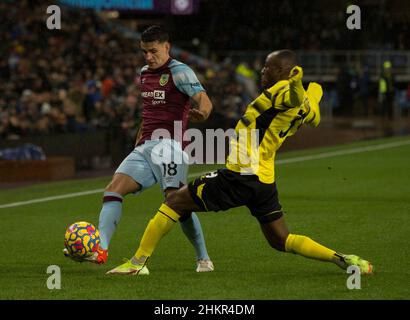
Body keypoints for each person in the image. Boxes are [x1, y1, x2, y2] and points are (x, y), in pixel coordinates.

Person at [107, 50, 373, 276]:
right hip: (264, 180)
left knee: (174, 201)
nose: (262, 71)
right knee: (281, 240)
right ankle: (342, 258)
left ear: (284, 71)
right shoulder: (305, 103)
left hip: (241, 174)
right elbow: (312, 109)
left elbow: (290, 97)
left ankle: (137, 263)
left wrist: (295, 84)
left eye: (268, 67)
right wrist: (311, 90)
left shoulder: (283, 90)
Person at [64, 25, 215, 273]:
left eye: (153, 51)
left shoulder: (180, 72)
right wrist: (138, 143)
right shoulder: (144, 73)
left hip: (170, 146)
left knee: (176, 203)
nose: (148, 57)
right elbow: (147, 114)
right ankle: (100, 250)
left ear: (167, 47)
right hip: (145, 146)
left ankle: (203, 258)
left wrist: (203, 113)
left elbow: (204, 100)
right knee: (113, 189)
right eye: (144, 52)